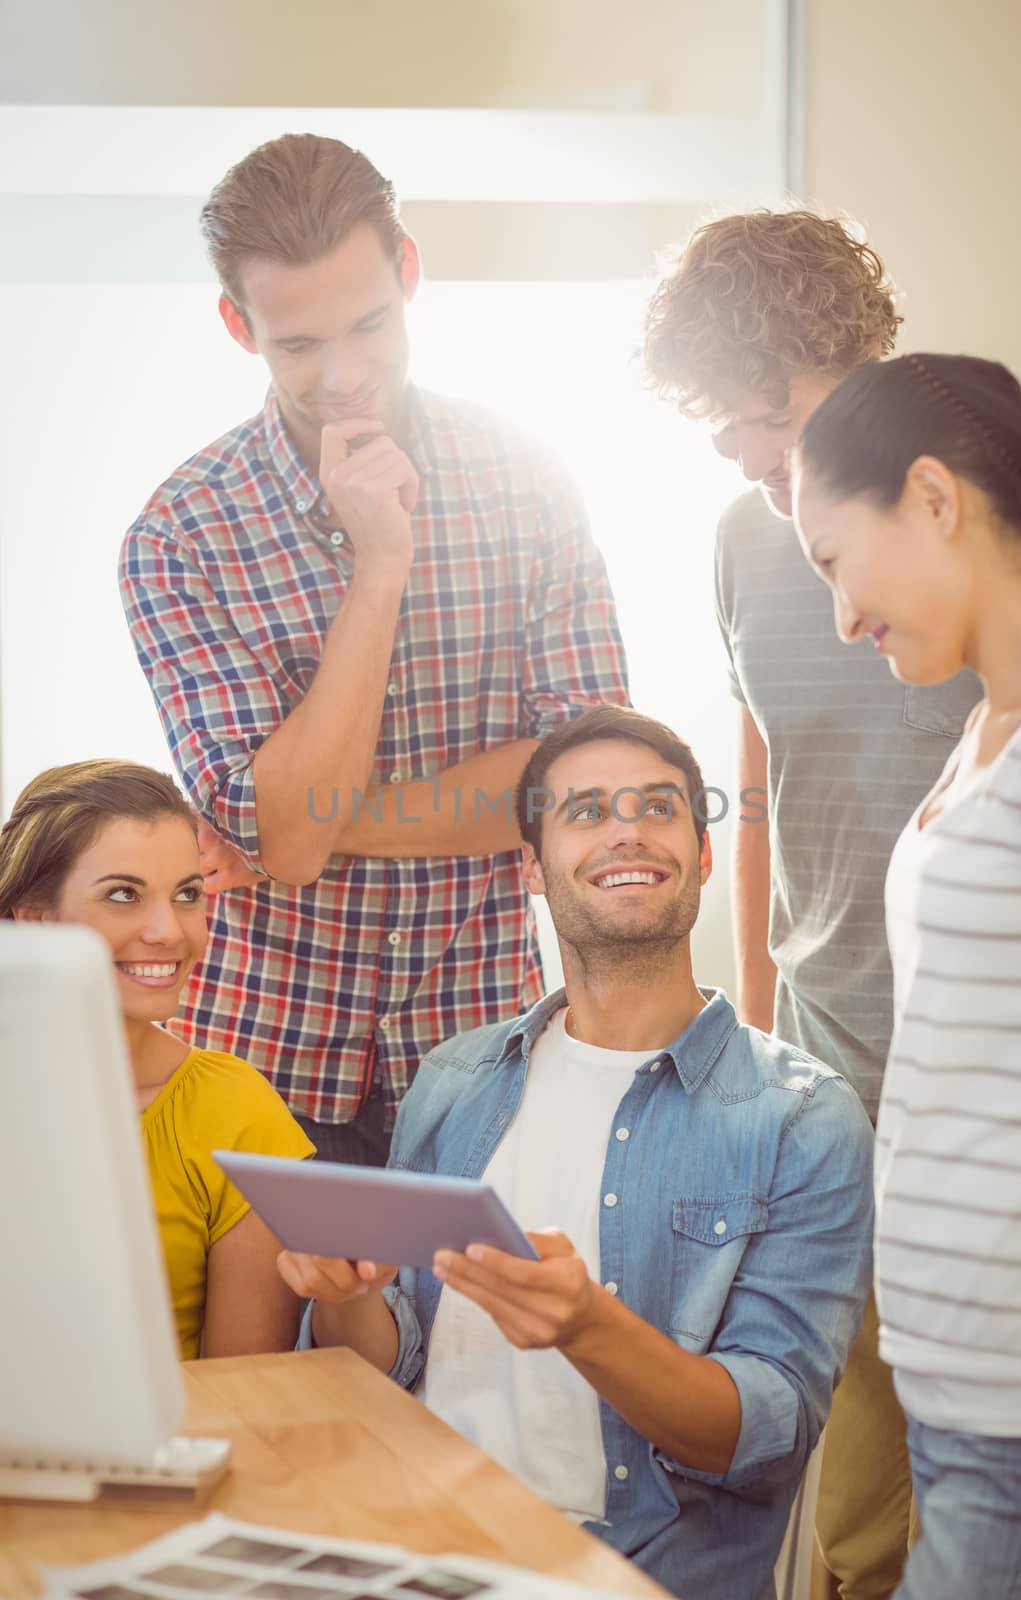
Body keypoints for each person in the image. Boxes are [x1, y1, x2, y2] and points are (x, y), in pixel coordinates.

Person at [276, 705, 875, 1600]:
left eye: (657, 808)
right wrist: (347, 1299)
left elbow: (763, 1436)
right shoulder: (453, 1079)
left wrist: (587, 1326)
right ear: (532, 867)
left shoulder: (802, 1119)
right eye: (587, 812)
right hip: (417, 1545)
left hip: (626, 1575)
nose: (625, 830)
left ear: (703, 855)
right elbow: (387, 1363)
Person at [119, 133, 629, 1168]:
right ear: (238, 325)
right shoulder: (179, 536)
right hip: (264, 1059)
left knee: (471, 1336)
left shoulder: (528, 479)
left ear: (407, 270)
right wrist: (380, 564)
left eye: (367, 324)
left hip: (481, 1053)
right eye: (298, 345)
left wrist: (304, 827)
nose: (344, 374)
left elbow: (586, 776)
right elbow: (282, 826)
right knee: (268, 1342)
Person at [643, 210, 981, 1598]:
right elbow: (764, 774)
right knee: (851, 1480)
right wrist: (759, 1042)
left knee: (982, 1452)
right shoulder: (741, 539)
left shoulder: (988, 520)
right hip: (828, 1056)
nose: (768, 473)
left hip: (986, 1064)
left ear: (863, 365)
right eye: (733, 438)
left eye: (778, 420)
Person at [792, 352, 1021, 1600]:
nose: (841, 616)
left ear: (932, 497)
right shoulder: (989, 730)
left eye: (833, 559)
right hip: (965, 1391)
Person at [0, 759, 314, 1360]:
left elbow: (244, 1396)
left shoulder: (233, 1112)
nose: (169, 931)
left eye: (187, 894)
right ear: (35, 915)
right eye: (123, 895)